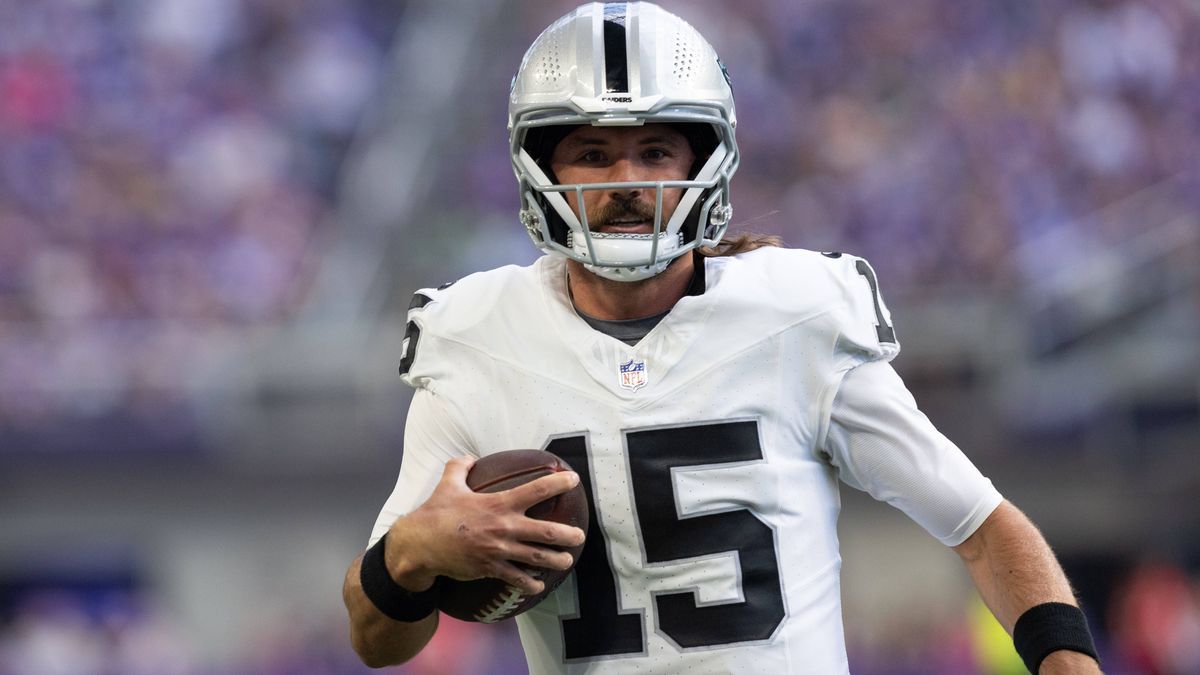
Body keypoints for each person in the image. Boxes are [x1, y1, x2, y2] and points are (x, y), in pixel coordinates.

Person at [343, 3, 1102, 673]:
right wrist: (412, 553)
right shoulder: (478, 338)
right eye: (594, 154)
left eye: (656, 152)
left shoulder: (794, 314)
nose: (628, 183)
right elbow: (378, 640)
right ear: (540, 165)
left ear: (704, 162)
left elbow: (982, 526)